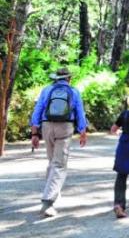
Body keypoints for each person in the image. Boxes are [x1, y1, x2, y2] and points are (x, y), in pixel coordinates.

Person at [30, 68, 88, 217]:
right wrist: (82, 132)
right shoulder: (74, 91)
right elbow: (80, 113)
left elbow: (37, 110)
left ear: (56, 78)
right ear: (69, 79)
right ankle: (48, 202)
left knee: (52, 161)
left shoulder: (47, 89)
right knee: (59, 164)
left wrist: (34, 133)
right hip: (65, 127)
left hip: (46, 126)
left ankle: (54, 192)